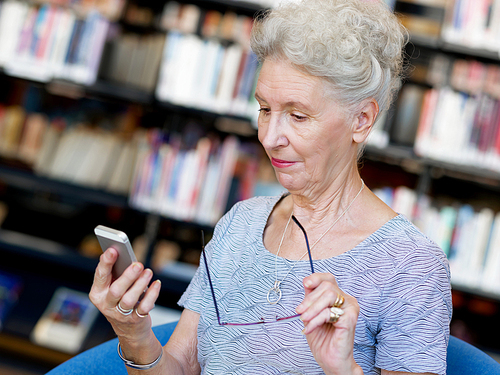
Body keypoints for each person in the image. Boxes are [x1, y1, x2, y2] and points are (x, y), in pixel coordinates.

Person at [89, 0, 452, 374]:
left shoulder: (410, 266)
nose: (270, 137)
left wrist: (344, 369)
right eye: (264, 109)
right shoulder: (240, 224)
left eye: (297, 115)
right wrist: (133, 334)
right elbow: (180, 366)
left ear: (361, 119)